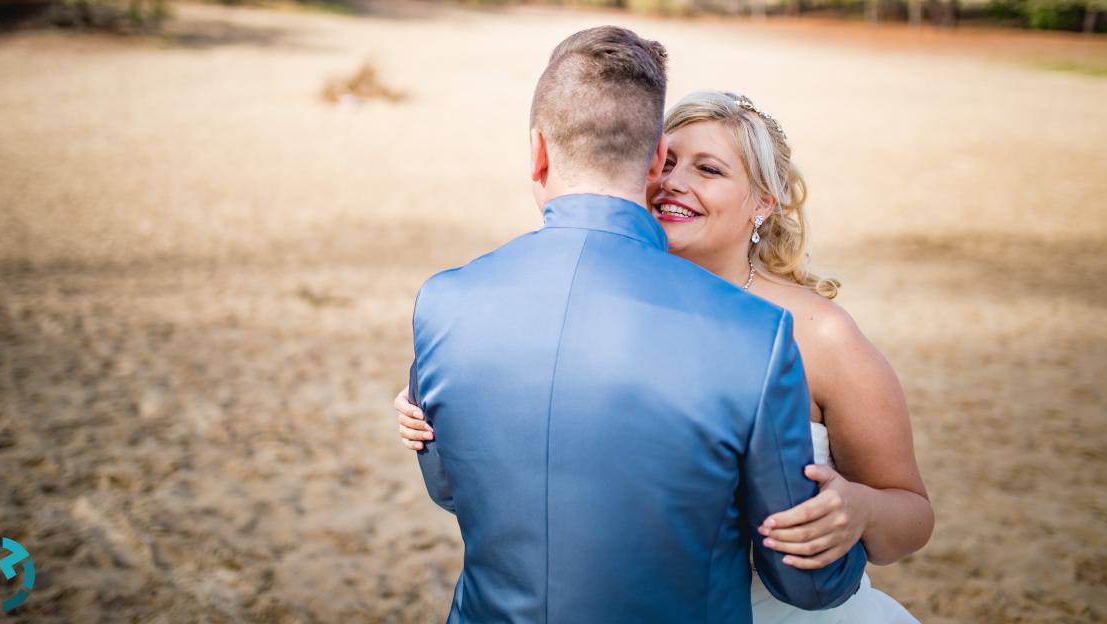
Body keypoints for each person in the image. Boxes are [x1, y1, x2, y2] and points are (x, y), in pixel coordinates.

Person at [399, 88, 933, 621]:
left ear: (763, 203)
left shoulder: (822, 335)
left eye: (709, 170)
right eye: (669, 162)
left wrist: (861, 511)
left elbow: (911, 517)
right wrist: (444, 405)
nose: (675, 182)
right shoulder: (602, 298)